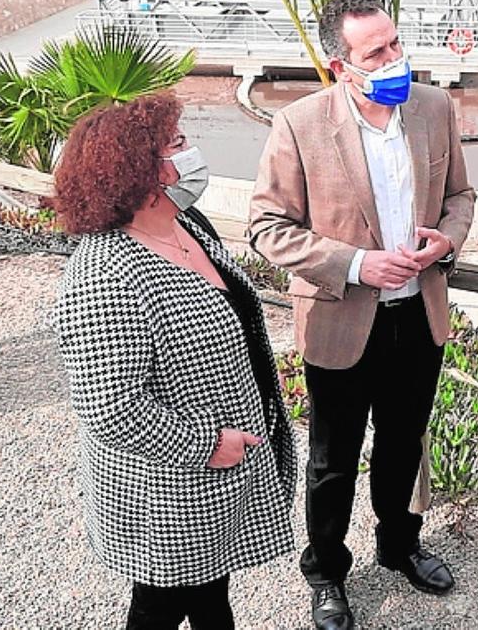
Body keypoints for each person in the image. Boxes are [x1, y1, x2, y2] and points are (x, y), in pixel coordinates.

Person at [249, 0, 476, 630]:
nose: (395, 57)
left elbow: (461, 194)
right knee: (332, 458)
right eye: (377, 51)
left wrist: (447, 239)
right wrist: (355, 264)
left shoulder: (433, 107)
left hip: (418, 315)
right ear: (340, 66)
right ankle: (325, 568)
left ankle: (400, 545)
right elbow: (267, 227)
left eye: (396, 42)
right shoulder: (298, 124)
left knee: (405, 442)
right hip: (342, 319)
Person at [53, 94, 297, 630]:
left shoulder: (187, 223)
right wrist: (210, 445)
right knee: (161, 604)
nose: (193, 153)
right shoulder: (105, 275)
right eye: (178, 145)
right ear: (140, 171)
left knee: (210, 590)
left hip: (217, 477)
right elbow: (110, 408)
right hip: (171, 487)